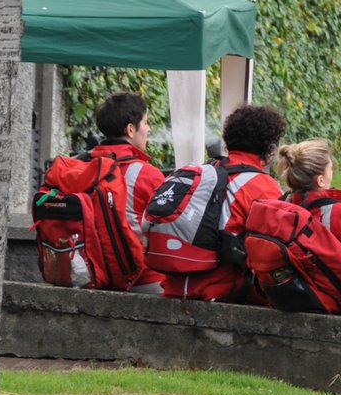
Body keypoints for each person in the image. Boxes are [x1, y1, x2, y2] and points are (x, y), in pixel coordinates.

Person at [157, 104, 285, 301]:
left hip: (175, 285)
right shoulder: (263, 186)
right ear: (270, 149)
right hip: (222, 290)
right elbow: (277, 249)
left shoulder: (201, 172)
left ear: (227, 140)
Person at [277, 137, 341, 312]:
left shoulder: (283, 210)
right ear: (320, 180)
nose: (332, 173)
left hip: (301, 295)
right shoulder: (340, 213)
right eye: (330, 169)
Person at [89, 92, 166, 294]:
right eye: (146, 122)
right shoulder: (148, 174)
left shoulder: (85, 167)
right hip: (143, 279)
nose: (149, 129)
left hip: (92, 274)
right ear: (131, 129)